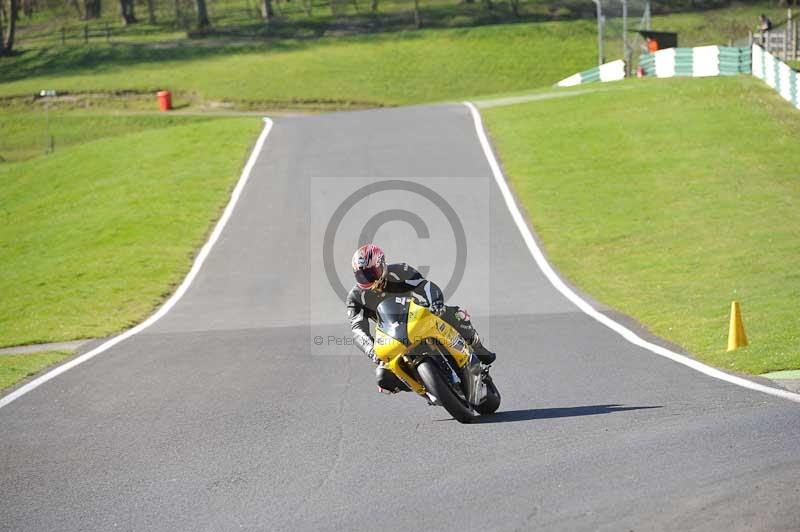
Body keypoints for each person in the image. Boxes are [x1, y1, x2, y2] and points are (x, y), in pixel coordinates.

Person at [346, 244, 496, 394]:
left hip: (416, 316)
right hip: (391, 334)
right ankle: (424, 387)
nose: (368, 278)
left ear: (382, 264)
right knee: (383, 377)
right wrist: (372, 351)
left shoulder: (400, 271)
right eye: (362, 275)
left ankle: (478, 349)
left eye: (372, 272)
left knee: (455, 314)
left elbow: (425, 286)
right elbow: (357, 328)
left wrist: (436, 303)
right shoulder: (355, 297)